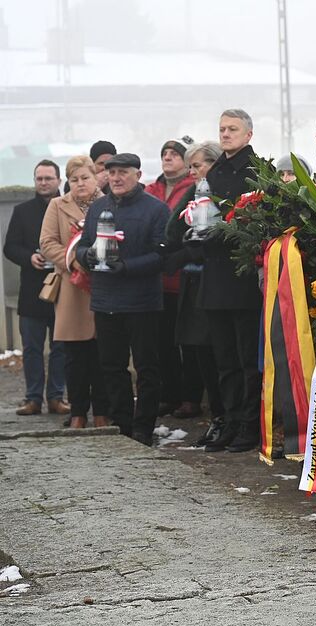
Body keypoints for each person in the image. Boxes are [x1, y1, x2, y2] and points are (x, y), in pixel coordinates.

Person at [75, 153, 169, 446]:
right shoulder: (98, 208)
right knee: (111, 367)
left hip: (142, 301)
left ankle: (143, 427)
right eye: (111, 172)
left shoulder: (156, 209)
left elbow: (162, 254)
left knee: (146, 367)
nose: (116, 178)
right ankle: (122, 423)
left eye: (123, 172)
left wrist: (128, 267)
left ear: (138, 175)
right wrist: (87, 256)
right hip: (105, 300)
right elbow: (83, 246)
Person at [198, 110, 262, 453]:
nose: (225, 134)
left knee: (246, 360)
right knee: (224, 360)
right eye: (221, 129)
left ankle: (249, 425)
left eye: (232, 129)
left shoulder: (255, 171)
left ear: (248, 134)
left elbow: (256, 222)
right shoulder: (215, 170)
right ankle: (230, 420)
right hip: (214, 277)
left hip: (242, 278)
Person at [38, 156, 110, 428]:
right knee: (74, 355)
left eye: (85, 178)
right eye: (74, 179)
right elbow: (47, 242)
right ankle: (78, 412)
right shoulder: (58, 205)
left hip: (104, 286)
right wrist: (75, 260)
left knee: (104, 354)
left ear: (95, 177)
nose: (80, 183)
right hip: (71, 287)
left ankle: (102, 411)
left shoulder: (108, 203)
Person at [163, 141, 225, 446]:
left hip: (212, 283)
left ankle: (224, 418)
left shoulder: (219, 191)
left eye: (197, 165)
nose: (192, 172)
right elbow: (171, 231)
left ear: (214, 164)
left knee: (218, 359)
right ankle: (217, 417)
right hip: (192, 284)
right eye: (190, 166)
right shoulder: (195, 192)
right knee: (199, 355)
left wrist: (187, 251)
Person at [3, 159, 69, 416]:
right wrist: (29, 257)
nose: (43, 183)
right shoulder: (22, 211)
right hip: (31, 289)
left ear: (58, 181)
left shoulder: (67, 208)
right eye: (39, 178)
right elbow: (10, 247)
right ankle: (33, 398)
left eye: (48, 178)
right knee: (31, 348)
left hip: (63, 288)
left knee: (61, 347)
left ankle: (56, 396)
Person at [144, 138, 199, 419]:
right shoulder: (151, 190)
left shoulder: (191, 188)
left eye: (174, 154)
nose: (167, 158)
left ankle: (191, 397)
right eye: (164, 153)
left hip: (184, 278)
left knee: (187, 343)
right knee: (162, 341)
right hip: (157, 280)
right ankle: (170, 394)